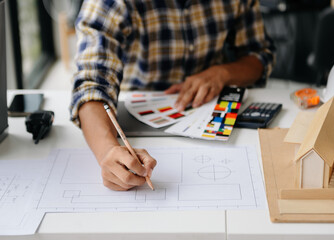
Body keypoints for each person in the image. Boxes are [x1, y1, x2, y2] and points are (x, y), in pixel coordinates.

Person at [70, 0, 275, 191]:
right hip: (137, 117)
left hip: (211, 115)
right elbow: (91, 85)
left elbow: (260, 54)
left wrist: (223, 73)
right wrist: (107, 150)